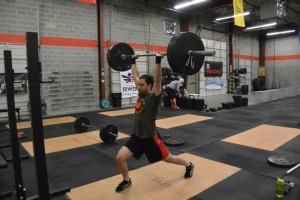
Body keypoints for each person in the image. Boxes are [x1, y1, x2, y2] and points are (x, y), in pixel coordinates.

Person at [115, 53, 194, 193]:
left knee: (169, 159)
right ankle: (127, 181)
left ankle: (188, 165)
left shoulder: (154, 98)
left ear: (149, 86)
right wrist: (132, 61)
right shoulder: (141, 94)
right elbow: (135, 76)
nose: (138, 87)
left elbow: (158, 80)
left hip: (151, 139)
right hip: (137, 137)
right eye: (138, 85)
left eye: (141, 85)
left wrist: (158, 60)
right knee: (120, 158)